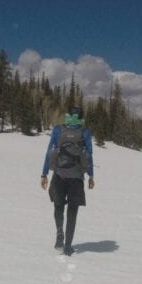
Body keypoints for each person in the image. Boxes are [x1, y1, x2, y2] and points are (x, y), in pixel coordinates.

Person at [40, 105, 95, 256]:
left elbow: (49, 151)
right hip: (76, 178)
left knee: (58, 206)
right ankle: (68, 246)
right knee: (73, 210)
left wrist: (44, 174)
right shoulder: (84, 132)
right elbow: (89, 155)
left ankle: (59, 234)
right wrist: (91, 176)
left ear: (68, 115)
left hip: (59, 175)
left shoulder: (58, 129)